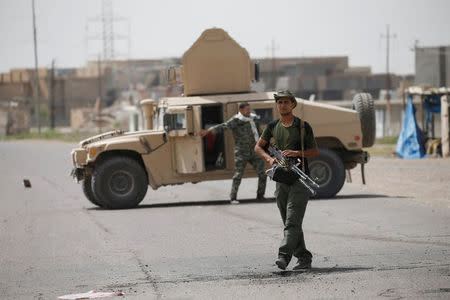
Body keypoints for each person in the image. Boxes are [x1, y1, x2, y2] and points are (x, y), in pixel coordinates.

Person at [254, 90, 319, 270]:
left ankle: (284, 256)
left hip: (300, 178)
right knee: (289, 221)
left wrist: (297, 153)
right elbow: (258, 147)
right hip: (281, 178)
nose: (282, 105)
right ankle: (304, 257)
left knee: (292, 220)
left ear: (293, 104)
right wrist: (269, 159)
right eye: (279, 102)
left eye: (285, 102)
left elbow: (314, 152)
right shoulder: (273, 126)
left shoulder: (303, 127)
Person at [199, 102, 267, 204]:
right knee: (238, 175)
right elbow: (223, 126)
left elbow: (260, 133)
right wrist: (208, 132)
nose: (249, 111)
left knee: (263, 174)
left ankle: (260, 196)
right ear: (241, 110)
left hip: (254, 151)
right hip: (241, 153)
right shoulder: (236, 120)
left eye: (249, 109)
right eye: (247, 109)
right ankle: (233, 197)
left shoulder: (254, 119)